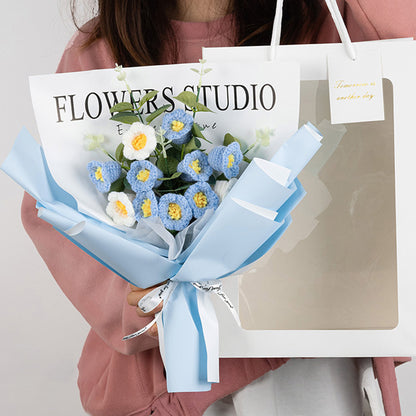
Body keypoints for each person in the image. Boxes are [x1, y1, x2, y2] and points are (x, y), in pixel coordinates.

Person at [21, 0, 415, 415]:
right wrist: (141, 303)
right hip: (167, 372)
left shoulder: (329, 22)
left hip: (307, 356)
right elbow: (55, 205)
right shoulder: (98, 52)